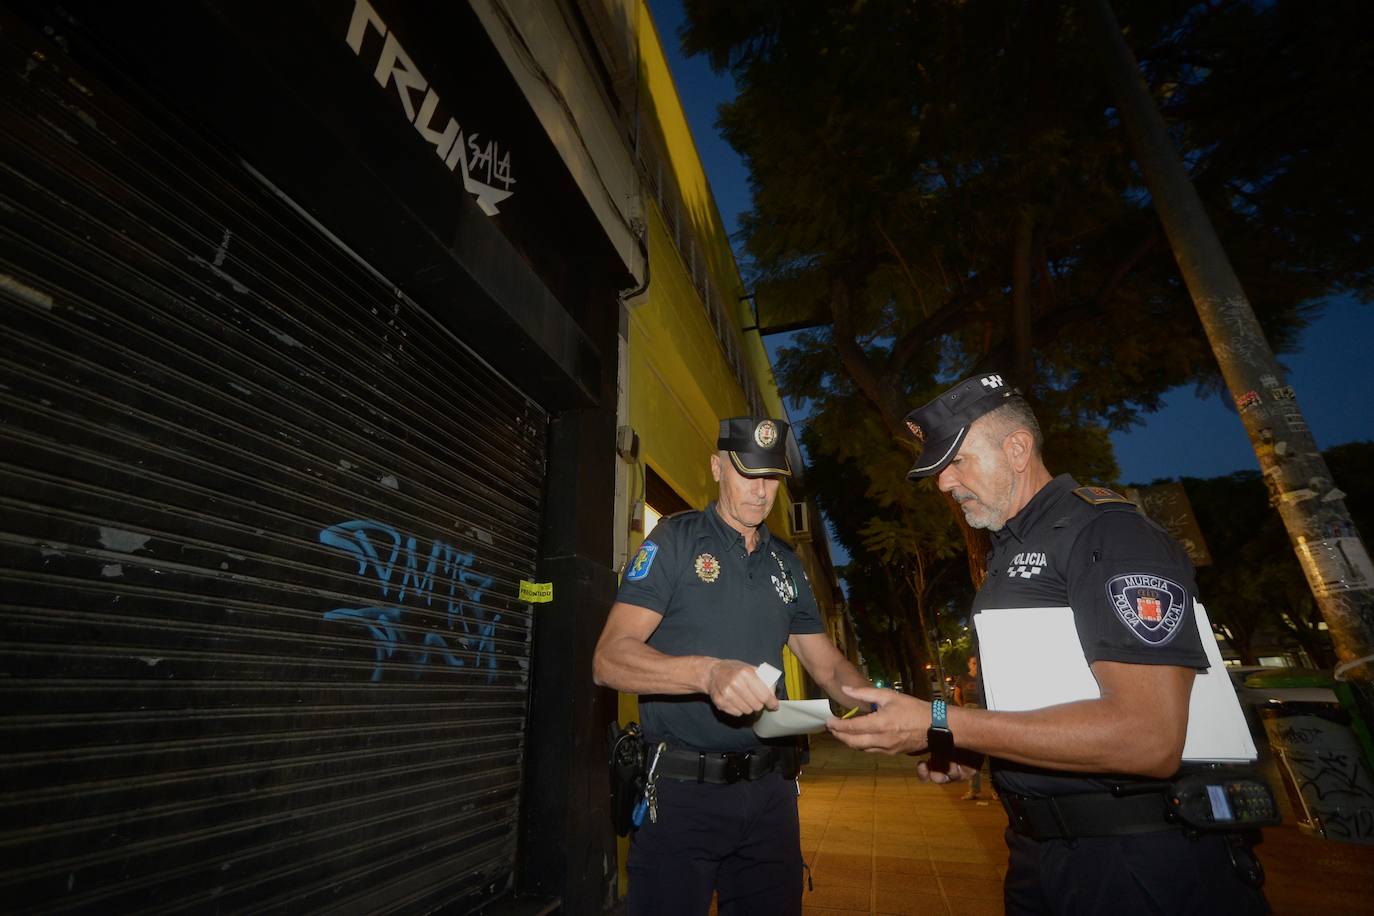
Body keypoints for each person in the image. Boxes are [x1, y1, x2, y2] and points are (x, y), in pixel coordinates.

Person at [828, 373, 1268, 916]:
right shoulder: (1015, 548)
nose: (944, 483)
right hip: (1043, 852)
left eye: (957, 462)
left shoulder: (1107, 534)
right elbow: (1052, 696)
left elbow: (1148, 737)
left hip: (1139, 862)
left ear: (1017, 449)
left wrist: (942, 721)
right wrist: (975, 750)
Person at [593, 416, 871, 916]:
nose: (762, 493)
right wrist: (707, 673)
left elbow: (827, 664)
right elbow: (609, 657)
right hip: (683, 797)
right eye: (748, 475)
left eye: (772, 480)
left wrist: (876, 701)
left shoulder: (786, 565)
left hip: (770, 797)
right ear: (717, 467)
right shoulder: (674, 542)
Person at [951, 655, 989, 801]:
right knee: (971, 754)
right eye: (973, 663)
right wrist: (964, 709)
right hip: (969, 716)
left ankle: (995, 790)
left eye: (977, 663)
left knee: (988, 754)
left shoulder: (984, 678)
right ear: (968, 665)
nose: (976, 666)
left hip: (983, 716)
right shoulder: (963, 679)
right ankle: (974, 790)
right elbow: (957, 696)